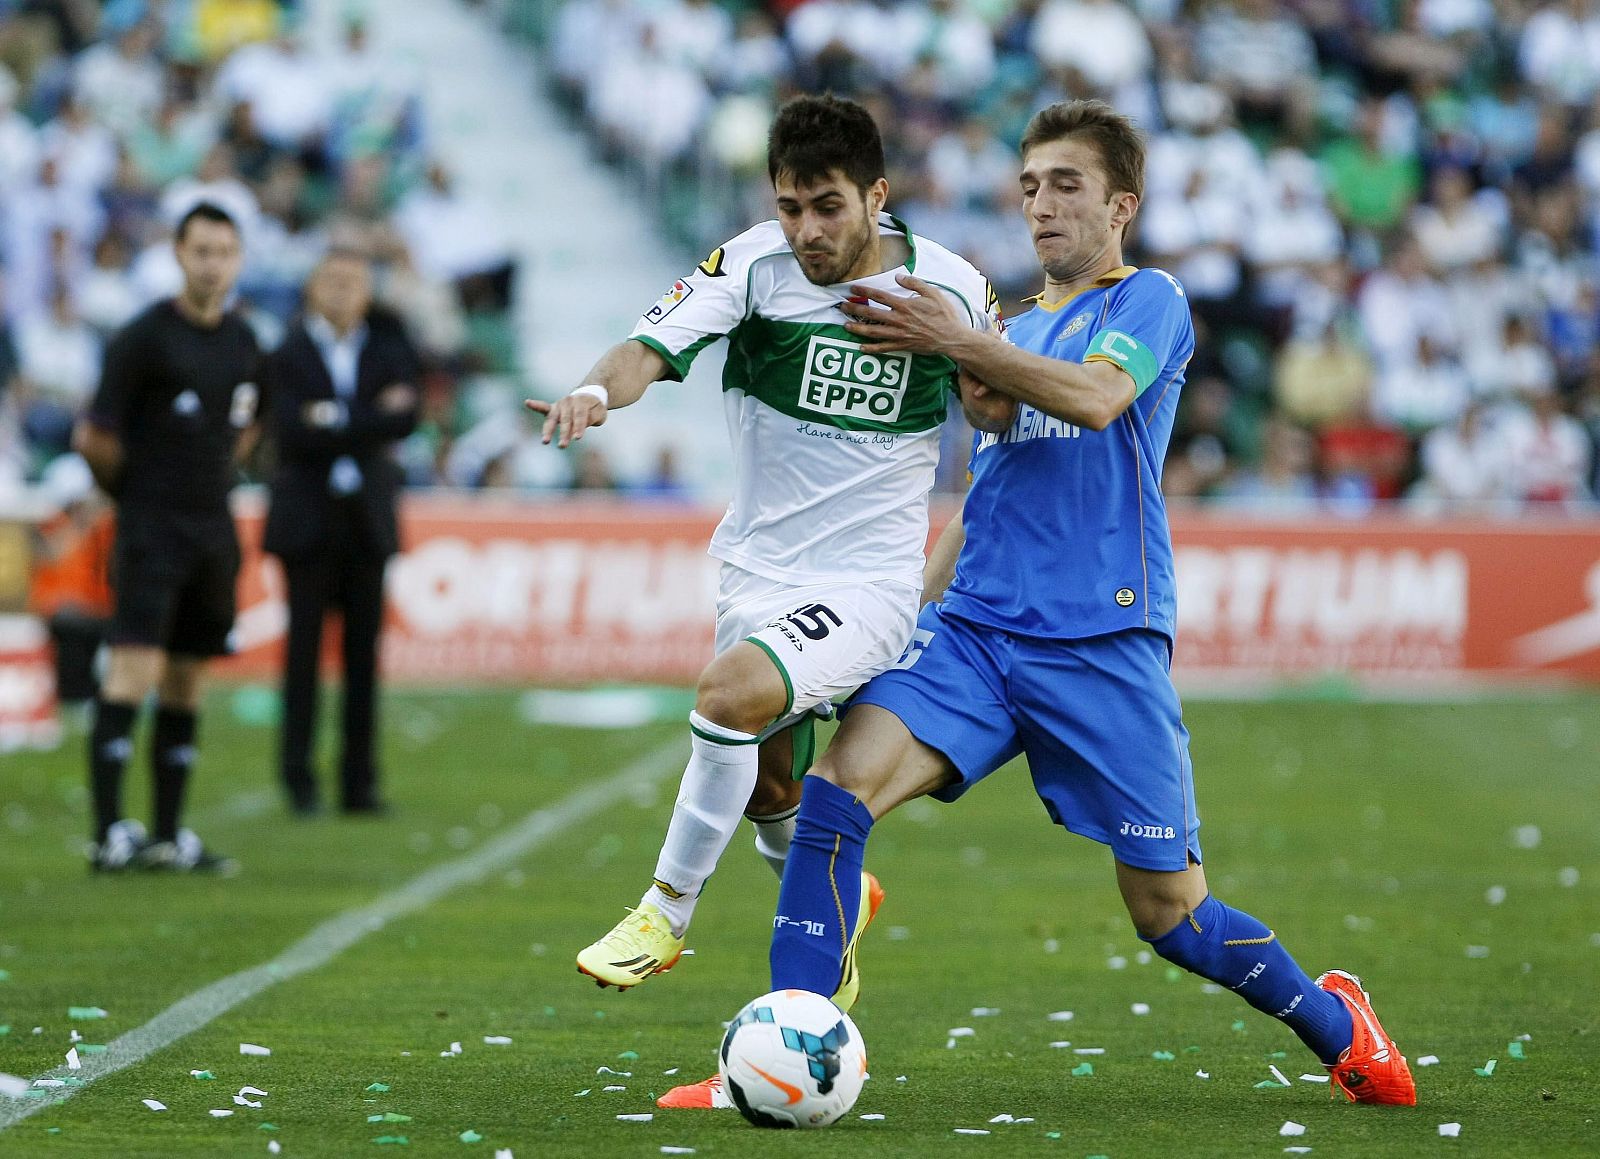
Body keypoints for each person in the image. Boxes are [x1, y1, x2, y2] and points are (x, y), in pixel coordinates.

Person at [764, 100, 1417, 1108]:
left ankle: (1333, 1017)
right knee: (834, 797)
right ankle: (784, 1054)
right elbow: (980, 497)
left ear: (1121, 204)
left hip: (1101, 645)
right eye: (1028, 186)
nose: (1040, 205)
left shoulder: (1146, 300)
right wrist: (903, 612)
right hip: (978, 634)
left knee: (1172, 918)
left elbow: (1095, 400)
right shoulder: (1004, 324)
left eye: (1064, 184)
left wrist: (962, 343)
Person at [530, 94, 997, 1102]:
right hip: (756, 573)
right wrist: (596, 393)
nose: (807, 232)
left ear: (875, 195)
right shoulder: (752, 266)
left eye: (826, 206)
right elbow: (643, 350)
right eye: (789, 207)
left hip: (868, 587)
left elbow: (999, 412)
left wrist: (950, 342)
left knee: (726, 695)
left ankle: (665, 909)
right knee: (773, 795)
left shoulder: (951, 283)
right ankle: (840, 897)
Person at [71, 201, 263, 874]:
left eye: (225, 251)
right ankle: (107, 833)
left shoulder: (244, 340)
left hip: (213, 528)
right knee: (132, 667)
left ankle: (168, 834)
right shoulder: (143, 338)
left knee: (187, 676)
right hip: (152, 525)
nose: (213, 262)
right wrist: (139, 495)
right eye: (201, 250)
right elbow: (94, 436)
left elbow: (248, 422)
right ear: (179, 255)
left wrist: (214, 475)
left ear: (239, 259)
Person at [263, 248, 421, 816]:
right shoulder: (286, 352)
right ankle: (297, 780)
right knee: (301, 657)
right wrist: (363, 417)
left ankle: (360, 784)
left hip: (365, 524)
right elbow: (287, 428)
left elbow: (406, 416)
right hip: (306, 523)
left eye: (352, 282)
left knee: (362, 661)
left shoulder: (387, 347)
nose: (341, 292)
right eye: (330, 281)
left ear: (367, 291)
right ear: (310, 287)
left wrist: (329, 416)